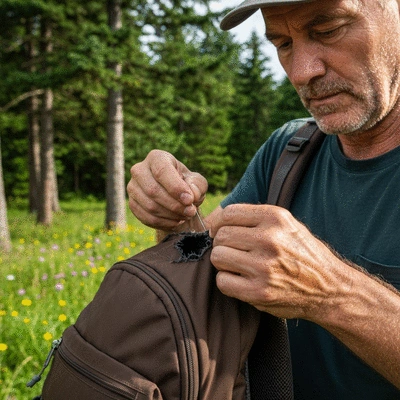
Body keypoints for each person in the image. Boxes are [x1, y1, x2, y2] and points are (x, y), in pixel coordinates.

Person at [127, 0, 400, 398]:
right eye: (283, 43)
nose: (303, 71)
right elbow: (193, 264)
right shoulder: (288, 151)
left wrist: (331, 292)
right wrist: (172, 213)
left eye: (328, 30)